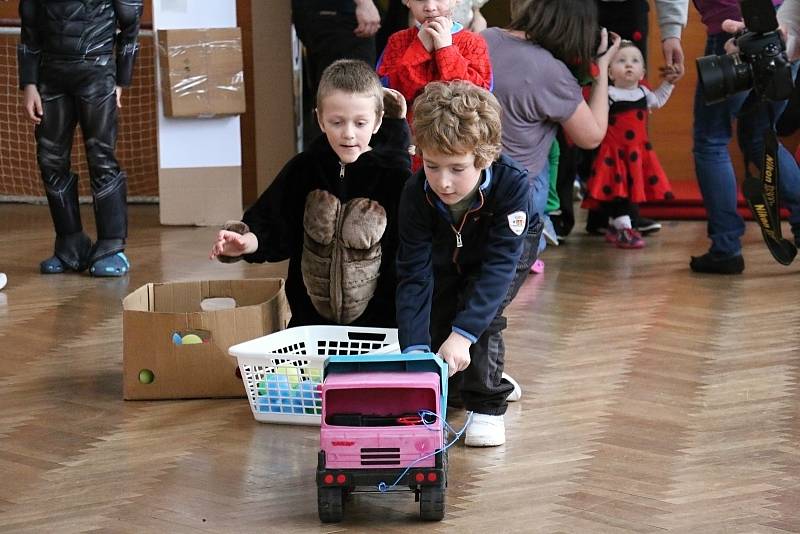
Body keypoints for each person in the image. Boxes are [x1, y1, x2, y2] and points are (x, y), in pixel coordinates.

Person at [395, 81, 543, 447]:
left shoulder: (512, 186)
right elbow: (414, 275)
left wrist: (462, 336)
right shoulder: (415, 195)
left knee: (482, 315)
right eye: (432, 166)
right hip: (452, 245)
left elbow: (497, 268)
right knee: (444, 311)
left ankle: (489, 406)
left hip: (507, 250)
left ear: (485, 157)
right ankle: (491, 379)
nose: (443, 182)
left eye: (457, 168)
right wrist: (414, 349)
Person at [210, 60, 411, 327]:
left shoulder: (395, 178)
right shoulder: (304, 169)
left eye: (360, 123)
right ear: (319, 119)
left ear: (377, 122)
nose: (348, 134)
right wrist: (249, 242)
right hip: (311, 327)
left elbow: (413, 254)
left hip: (380, 328)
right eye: (336, 122)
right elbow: (277, 224)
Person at [483, 0, 621, 253]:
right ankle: (535, 236)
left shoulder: (484, 38)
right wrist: (601, 67)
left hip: (471, 182)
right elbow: (591, 137)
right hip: (515, 193)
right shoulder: (553, 73)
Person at [18, 0, 143, 277]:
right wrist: (29, 84)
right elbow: (29, 31)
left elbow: (130, 26)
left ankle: (112, 245)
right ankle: (69, 243)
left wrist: (121, 80)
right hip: (51, 77)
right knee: (50, 159)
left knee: (100, 156)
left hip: (97, 74)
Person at [690, 0, 800, 274]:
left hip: (735, 29)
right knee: (761, 135)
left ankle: (726, 247)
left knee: (711, 141)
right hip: (786, 27)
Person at [578, 0, 689, 238]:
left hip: (629, 9)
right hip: (584, 9)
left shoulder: (641, 92)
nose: (629, 66)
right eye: (624, 63)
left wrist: (672, 32)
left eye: (635, 63)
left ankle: (628, 214)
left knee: (628, 166)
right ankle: (597, 215)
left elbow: (656, 99)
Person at [376, 0, 492, 131]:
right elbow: (392, 96)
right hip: (409, 139)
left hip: (459, 137)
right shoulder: (398, 41)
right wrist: (419, 48)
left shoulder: (473, 42)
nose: (430, 7)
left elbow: (477, 97)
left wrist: (446, 49)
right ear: (407, 1)